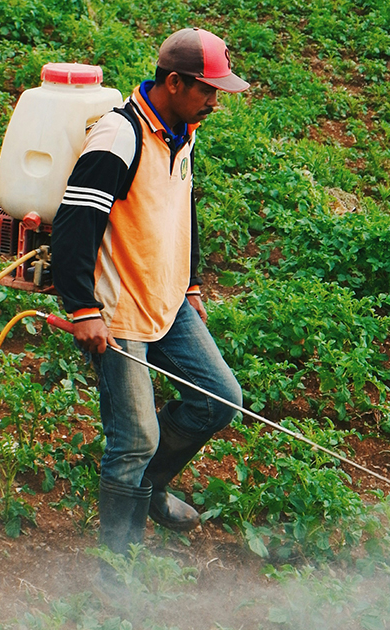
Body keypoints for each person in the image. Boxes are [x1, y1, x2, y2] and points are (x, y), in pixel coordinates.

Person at [50, 27, 250, 557]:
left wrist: (190, 282)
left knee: (220, 399)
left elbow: (180, 206)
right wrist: (82, 308)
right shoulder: (119, 137)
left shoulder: (182, 130)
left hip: (168, 299)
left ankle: (147, 487)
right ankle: (118, 569)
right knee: (135, 437)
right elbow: (73, 225)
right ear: (176, 82)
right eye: (208, 90)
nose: (215, 101)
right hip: (118, 311)